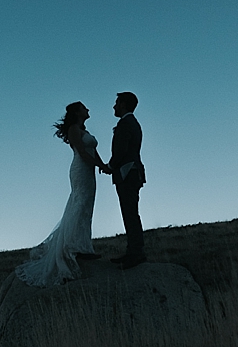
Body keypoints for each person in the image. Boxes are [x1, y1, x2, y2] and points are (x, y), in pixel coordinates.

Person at [15, 101, 111, 287]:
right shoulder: (74, 130)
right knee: (79, 204)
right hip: (81, 170)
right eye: (84, 108)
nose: (88, 109)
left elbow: (93, 151)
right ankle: (72, 247)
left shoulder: (84, 130)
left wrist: (104, 166)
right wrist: (100, 166)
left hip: (89, 171)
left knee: (86, 206)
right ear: (77, 112)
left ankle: (83, 246)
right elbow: (82, 153)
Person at [107, 91, 146, 269]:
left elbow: (121, 151)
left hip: (127, 173)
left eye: (116, 103)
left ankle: (136, 253)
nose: (114, 106)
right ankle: (133, 251)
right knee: (130, 212)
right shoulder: (132, 123)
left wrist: (110, 166)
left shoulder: (125, 123)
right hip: (132, 172)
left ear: (123, 104)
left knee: (130, 213)